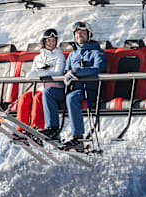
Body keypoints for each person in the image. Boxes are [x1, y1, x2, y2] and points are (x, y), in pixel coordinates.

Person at [40, 21, 106, 150]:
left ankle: (78, 138)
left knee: (71, 97)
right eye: (77, 33)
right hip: (73, 88)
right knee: (48, 92)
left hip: (88, 90)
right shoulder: (72, 54)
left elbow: (98, 68)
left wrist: (77, 71)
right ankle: (52, 128)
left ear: (89, 35)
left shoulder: (97, 52)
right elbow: (66, 71)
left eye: (82, 32)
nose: (79, 35)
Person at [16, 28, 65, 130]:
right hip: (39, 88)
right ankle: (21, 128)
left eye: (53, 40)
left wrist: (41, 72)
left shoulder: (60, 56)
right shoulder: (38, 58)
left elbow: (58, 73)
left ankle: (36, 128)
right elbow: (34, 73)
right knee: (24, 97)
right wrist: (33, 74)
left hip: (53, 88)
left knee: (38, 98)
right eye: (48, 41)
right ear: (43, 42)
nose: (51, 43)